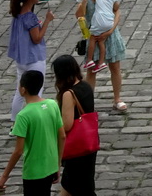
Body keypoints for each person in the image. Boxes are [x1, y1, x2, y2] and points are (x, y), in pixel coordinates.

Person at [0, 70, 64, 195]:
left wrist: (4, 176)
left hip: (34, 171)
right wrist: (57, 165)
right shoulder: (52, 104)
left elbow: (18, 150)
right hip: (51, 166)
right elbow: (62, 136)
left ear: (23, 90)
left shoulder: (23, 115)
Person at [75, 0, 129, 111]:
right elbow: (79, 14)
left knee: (115, 67)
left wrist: (111, 30)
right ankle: (88, 101)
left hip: (110, 35)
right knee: (91, 70)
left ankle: (117, 99)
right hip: (94, 35)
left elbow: (117, 11)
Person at [53, 53, 96, 196]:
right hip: (89, 144)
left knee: (73, 186)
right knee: (81, 186)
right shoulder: (86, 86)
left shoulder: (69, 94)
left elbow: (67, 125)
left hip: (76, 147)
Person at [7, 0, 55, 122]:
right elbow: (37, 38)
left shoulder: (17, 14)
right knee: (36, 92)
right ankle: (34, 121)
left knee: (20, 92)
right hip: (34, 58)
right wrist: (47, 21)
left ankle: (15, 122)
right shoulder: (30, 17)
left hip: (21, 59)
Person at [83, 0, 119, 72]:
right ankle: (101, 63)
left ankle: (90, 60)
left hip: (99, 21)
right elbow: (116, 7)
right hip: (109, 23)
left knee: (93, 38)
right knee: (101, 42)